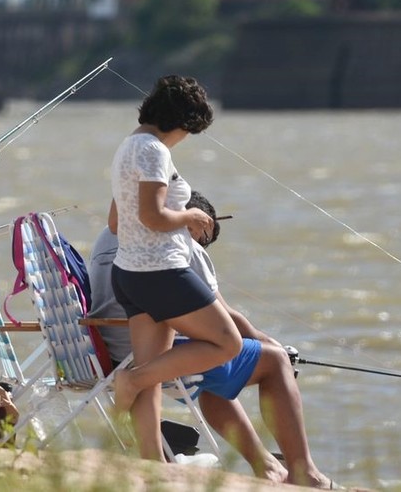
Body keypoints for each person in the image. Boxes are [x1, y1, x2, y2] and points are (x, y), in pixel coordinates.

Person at [90, 192, 333, 488]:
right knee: (273, 362)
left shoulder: (110, 234)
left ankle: (267, 465)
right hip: (151, 352)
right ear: (193, 217)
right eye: (202, 237)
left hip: (106, 351)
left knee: (222, 371)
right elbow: (227, 316)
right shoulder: (178, 243)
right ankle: (303, 471)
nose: (199, 244)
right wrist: (273, 346)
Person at [109, 75, 242, 462]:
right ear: (180, 122)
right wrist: (190, 215)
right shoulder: (154, 150)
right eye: (188, 130)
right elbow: (153, 216)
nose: (184, 138)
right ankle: (128, 379)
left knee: (152, 368)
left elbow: (116, 222)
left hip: (128, 272)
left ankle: (151, 460)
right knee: (226, 342)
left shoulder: (127, 146)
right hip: (160, 271)